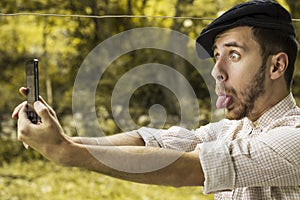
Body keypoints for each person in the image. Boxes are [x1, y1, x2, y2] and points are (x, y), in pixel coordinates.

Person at [12, 0, 300, 199]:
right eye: (217, 55)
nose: (216, 71)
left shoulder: (294, 139)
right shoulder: (234, 129)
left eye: (233, 55)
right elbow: (154, 141)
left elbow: (186, 167)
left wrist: (66, 153)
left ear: (276, 66)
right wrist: (64, 140)